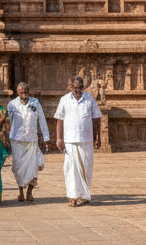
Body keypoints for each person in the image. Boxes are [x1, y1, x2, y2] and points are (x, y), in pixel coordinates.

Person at [54, 76, 102, 207]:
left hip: (86, 140)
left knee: (86, 168)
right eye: (75, 88)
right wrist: (59, 138)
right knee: (70, 169)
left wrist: (98, 137)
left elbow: (97, 119)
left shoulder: (89, 99)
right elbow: (59, 120)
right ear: (70, 87)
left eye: (80, 87)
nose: (78, 90)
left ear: (83, 87)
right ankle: (72, 196)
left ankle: (83, 194)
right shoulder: (64, 100)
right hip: (70, 140)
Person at [7, 81, 50, 202]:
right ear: (17, 92)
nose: (24, 94)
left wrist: (46, 138)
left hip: (32, 140)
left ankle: (29, 192)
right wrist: (5, 137)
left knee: (34, 167)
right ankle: (20, 191)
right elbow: (8, 121)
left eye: (25, 92)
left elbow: (42, 119)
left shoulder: (35, 103)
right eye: (21, 92)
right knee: (18, 168)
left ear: (28, 91)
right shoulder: (12, 104)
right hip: (17, 140)